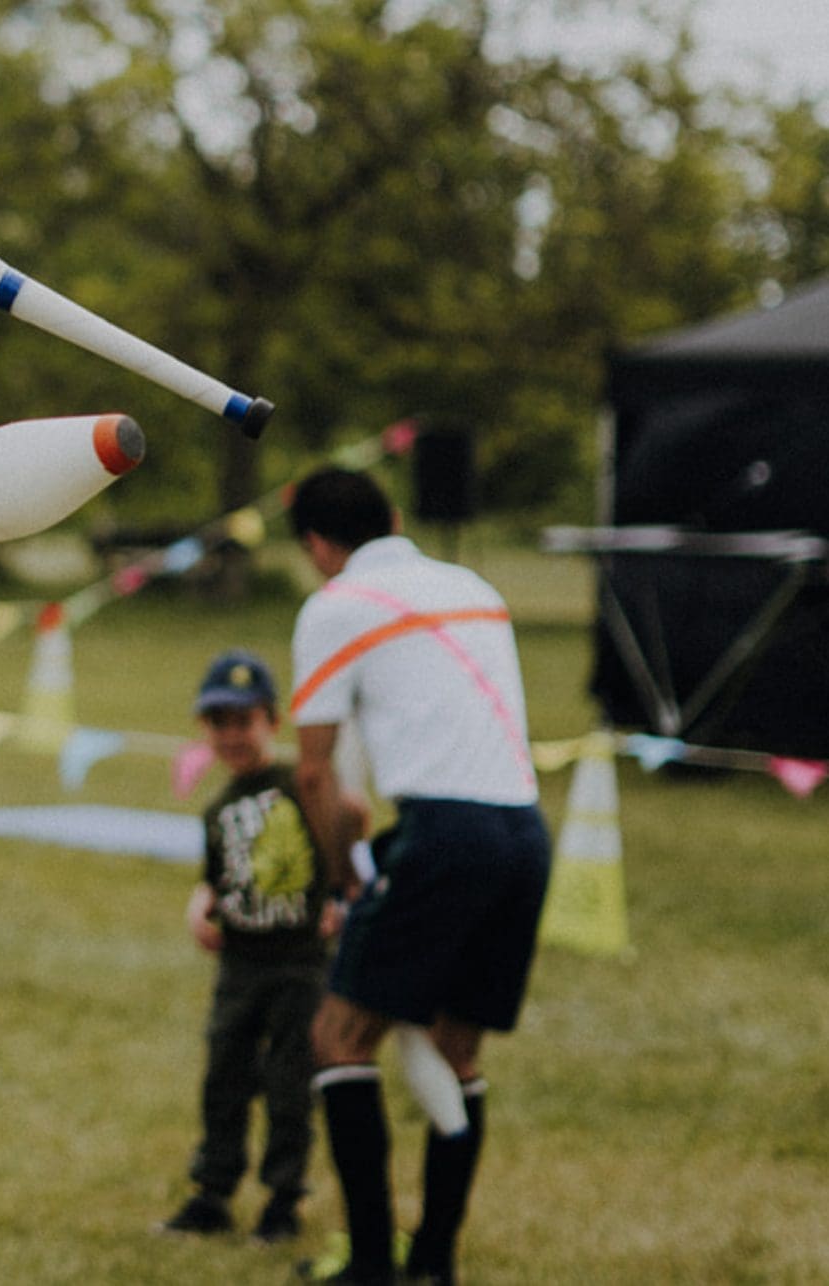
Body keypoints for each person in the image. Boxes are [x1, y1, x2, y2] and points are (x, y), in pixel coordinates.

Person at [283, 469, 551, 1286]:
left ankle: (369, 1267)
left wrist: (344, 882)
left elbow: (316, 775)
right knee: (456, 1050)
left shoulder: (334, 608)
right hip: (524, 831)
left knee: (339, 1037)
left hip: (443, 834)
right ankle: (433, 1264)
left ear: (317, 546)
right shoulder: (474, 586)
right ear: (396, 518)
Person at [159, 649, 338, 1246]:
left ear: (272, 722)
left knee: (291, 1086)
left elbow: (340, 845)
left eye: (245, 720)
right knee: (224, 1078)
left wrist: (340, 897)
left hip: (300, 966)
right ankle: (212, 1192)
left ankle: (283, 1201)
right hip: (240, 964)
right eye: (219, 722)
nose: (232, 735)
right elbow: (217, 875)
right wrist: (200, 902)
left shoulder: (299, 787)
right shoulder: (218, 810)